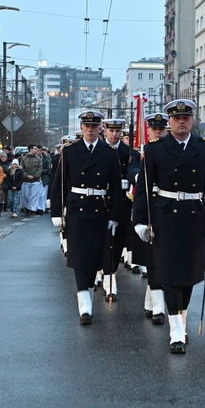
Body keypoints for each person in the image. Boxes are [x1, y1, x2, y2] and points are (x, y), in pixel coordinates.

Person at [133, 100, 205, 354]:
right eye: (176, 118)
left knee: (189, 276)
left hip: (194, 217)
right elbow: (143, 190)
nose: (181, 121)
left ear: (191, 120)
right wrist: (139, 221)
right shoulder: (154, 150)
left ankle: (180, 319)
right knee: (170, 275)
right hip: (165, 217)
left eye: (185, 117)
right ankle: (175, 330)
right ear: (169, 121)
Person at [50, 110, 122, 326]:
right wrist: (56, 211)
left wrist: (115, 216)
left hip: (99, 210)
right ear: (81, 128)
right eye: (87, 126)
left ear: (101, 128)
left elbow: (116, 189)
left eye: (94, 126)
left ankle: (88, 294)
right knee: (80, 259)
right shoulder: (70, 152)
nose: (90, 130)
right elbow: (59, 184)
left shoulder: (109, 153)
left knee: (95, 258)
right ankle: (85, 307)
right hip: (77, 210)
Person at [128, 113, 169, 323]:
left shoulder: (170, 152)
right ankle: (156, 307)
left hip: (167, 209)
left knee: (162, 261)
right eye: (154, 130)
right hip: (149, 209)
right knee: (151, 260)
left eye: (162, 130)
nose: (158, 133)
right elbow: (133, 170)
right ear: (149, 131)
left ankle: (154, 303)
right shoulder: (140, 153)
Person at [97, 118, 133, 301]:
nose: (114, 134)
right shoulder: (99, 151)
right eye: (111, 131)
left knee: (118, 242)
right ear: (105, 131)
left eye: (117, 131)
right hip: (102, 203)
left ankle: (111, 273)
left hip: (122, 202)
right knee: (103, 242)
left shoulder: (128, 153)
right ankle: (108, 278)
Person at [20, 144, 42, 215]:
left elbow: (40, 168)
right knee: (26, 195)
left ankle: (32, 209)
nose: (36, 150)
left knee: (34, 195)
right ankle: (26, 207)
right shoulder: (24, 158)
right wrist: (26, 175)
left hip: (35, 180)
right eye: (35, 149)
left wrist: (35, 176)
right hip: (26, 180)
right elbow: (21, 168)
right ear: (30, 149)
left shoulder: (38, 159)